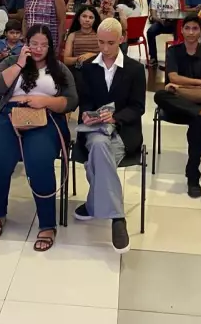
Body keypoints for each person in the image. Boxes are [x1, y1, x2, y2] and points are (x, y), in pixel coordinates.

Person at [0, 25, 77, 251]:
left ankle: (46, 224)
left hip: (46, 117)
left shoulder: (60, 69)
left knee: (40, 161)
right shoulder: (11, 62)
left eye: (44, 45)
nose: (38, 49)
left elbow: (71, 100)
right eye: (34, 44)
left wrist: (46, 101)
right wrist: (18, 65)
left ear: (50, 46)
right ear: (26, 43)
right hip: (10, 116)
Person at [73, 17, 144, 252]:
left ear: (121, 39)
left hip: (124, 130)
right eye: (101, 42)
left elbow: (138, 106)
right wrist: (88, 114)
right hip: (95, 129)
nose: (105, 49)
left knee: (99, 154)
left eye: (110, 43)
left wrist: (116, 118)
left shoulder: (135, 69)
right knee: (100, 144)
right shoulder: (88, 67)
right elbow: (84, 100)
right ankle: (117, 218)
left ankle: (94, 202)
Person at [154, 15, 201, 198]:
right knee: (160, 95)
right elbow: (173, 77)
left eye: (195, 28)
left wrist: (183, 87)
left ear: (200, 31)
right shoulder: (174, 51)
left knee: (198, 123)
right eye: (187, 28)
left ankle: (192, 176)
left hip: (197, 103)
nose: (191, 32)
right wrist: (200, 83)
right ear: (181, 30)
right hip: (179, 107)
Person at [146, 0, 180, 67]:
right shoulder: (154, 0)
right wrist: (161, 20)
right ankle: (153, 57)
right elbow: (153, 16)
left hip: (172, 22)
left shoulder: (175, 0)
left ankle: (177, 58)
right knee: (150, 32)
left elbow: (177, 14)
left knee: (179, 32)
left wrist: (170, 19)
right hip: (159, 22)